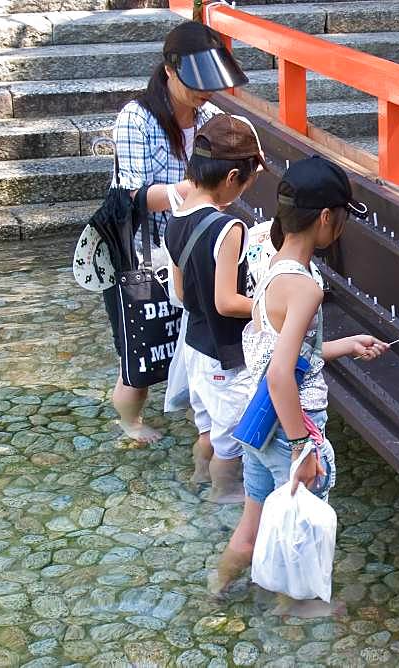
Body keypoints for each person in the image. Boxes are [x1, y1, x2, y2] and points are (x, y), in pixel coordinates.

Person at [209, 156, 388, 598]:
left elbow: (274, 354)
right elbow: (280, 376)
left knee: (252, 529)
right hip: (293, 425)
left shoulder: (269, 268)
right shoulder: (307, 286)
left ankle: (214, 593)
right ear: (327, 217)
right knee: (302, 536)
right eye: (343, 218)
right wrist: (300, 449)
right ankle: (297, 622)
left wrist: (344, 346)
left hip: (258, 423)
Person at [106, 20, 248, 444]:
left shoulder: (211, 117)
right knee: (143, 346)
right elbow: (129, 196)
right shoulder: (138, 118)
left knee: (192, 340)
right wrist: (186, 192)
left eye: (210, 84)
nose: (204, 93)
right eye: (196, 83)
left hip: (192, 248)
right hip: (142, 250)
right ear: (169, 70)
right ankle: (130, 422)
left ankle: (199, 416)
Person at [164, 114, 268, 504]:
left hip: (193, 344)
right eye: (247, 183)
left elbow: (180, 291)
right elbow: (227, 302)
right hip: (222, 354)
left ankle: (197, 479)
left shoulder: (176, 214)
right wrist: (267, 306)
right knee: (232, 439)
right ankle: (224, 495)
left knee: (206, 429)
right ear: (230, 179)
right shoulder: (229, 228)